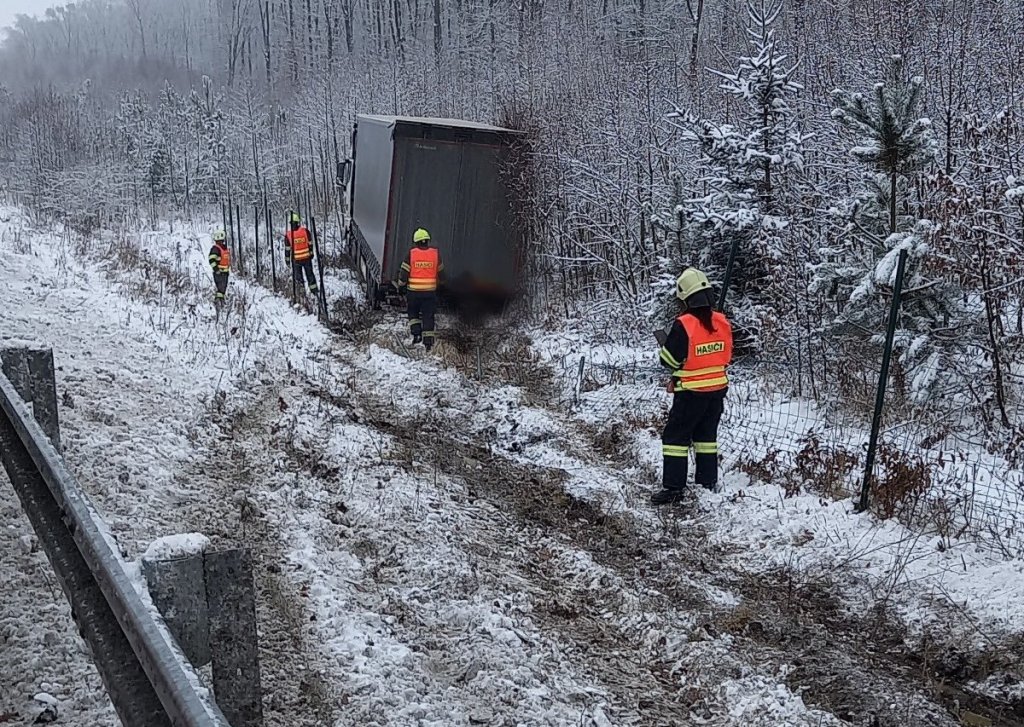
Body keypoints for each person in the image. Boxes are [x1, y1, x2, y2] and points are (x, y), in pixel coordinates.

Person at [652, 267, 734, 505]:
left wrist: (669, 351)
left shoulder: (684, 324)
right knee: (706, 437)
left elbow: (668, 360)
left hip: (690, 393)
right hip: (717, 391)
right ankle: (707, 482)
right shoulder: (721, 321)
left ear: (685, 298)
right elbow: (727, 355)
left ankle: (674, 488)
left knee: (675, 439)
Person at [398, 228, 444, 350]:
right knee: (428, 316)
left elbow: (404, 272)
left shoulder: (412, 254)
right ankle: (428, 343)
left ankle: (416, 335)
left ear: (416, 242)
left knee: (413, 313)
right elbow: (441, 272)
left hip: (414, 293)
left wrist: (401, 286)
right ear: (427, 241)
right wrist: (443, 285)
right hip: (430, 293)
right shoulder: (435, 254)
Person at [284, 212, 319, 300]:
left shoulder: (288, 235)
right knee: (310, 276)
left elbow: (287, 250)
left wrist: (287, 260)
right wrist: (311, 253)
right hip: (307, 259)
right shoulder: (305, 231)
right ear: (298, 222)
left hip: (296, 261)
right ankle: (315, 292)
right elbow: (310, 244)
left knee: (299, 279)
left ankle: (302, 295)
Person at [208, 228, 230, 306]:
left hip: (225, 272)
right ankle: (218, 303)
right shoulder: (215, 249)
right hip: (219, 273)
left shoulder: (224, 248)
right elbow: (211, 260)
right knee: (221, 289)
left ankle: (220, 302)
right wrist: (216, 269)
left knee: (222, 289)